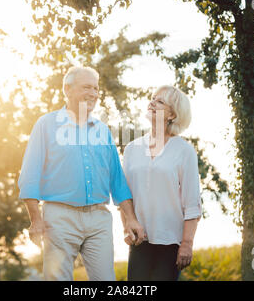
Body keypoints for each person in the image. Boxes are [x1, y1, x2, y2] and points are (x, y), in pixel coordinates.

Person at [18, 66, 145, 281]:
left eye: (96, 89)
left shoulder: (103, 130)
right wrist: (35, 219)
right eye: (87, 87)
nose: (93, 93)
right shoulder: (46, 125)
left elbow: (117, 179)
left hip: (99, 218)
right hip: (59, 218)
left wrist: (131, 218)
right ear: (67, 89)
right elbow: (30, 175)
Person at [121, 85, 202, 281]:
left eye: (160, 101)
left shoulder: (184, 151)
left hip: (171, 243)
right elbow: (125, 196)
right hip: (139, 241)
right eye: (152, 98)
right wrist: (126, 227)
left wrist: (187, 243)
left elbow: (192, 203)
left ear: (172, 115)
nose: (152, 103)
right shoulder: (132, 148)